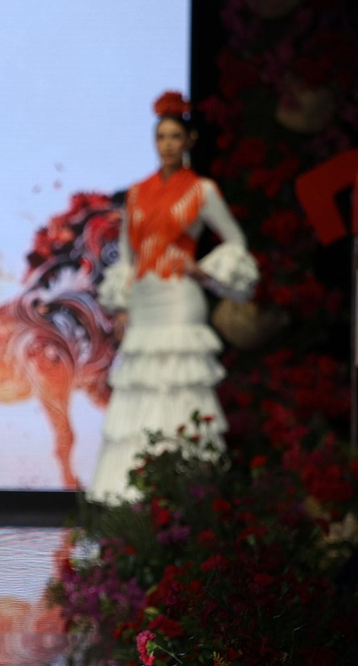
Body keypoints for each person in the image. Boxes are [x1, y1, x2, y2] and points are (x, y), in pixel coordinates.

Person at [90, 91, 259, 504]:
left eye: (174, 136)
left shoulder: (202, 190)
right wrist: (124, 305)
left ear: (189, 141)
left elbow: (236, 240)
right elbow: (128, 254)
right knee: (143, 394)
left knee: (180, 393)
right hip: (146, 302)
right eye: (161, 136)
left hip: (181, 300)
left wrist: (205, 269)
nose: (167, 144)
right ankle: (136, 500)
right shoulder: (136, 193)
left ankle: (184, 498)